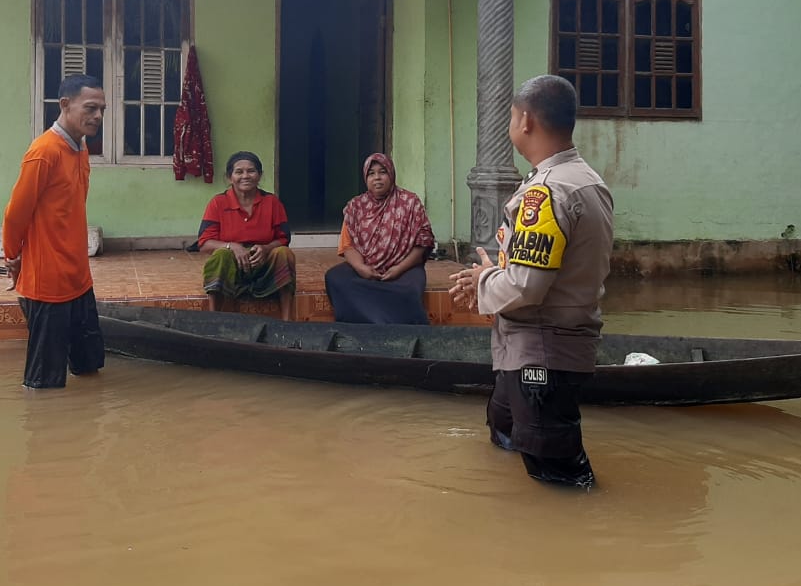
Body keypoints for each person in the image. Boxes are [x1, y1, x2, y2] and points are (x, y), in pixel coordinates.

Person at [449, 75, 614, 490]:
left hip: (542, 350)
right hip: (531, 346)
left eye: (509, 116)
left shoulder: (547, 192)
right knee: (503, 428)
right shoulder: (585, 179)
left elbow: (525, 289)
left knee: (560, 476)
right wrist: (491, 277)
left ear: (524, 121)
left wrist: (484, 279)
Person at [2, 74, 107, 389]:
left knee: (89, 367)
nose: (98, 116)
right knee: (44, 384)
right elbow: (15, 214)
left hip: (79, 277)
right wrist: (12, 257)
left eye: (102, 109)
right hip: (48, 284)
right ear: (65, 104)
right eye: (90, 108)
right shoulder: (43, 152)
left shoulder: (80, 149)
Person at [324, 153, 435, 324]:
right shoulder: (355, 207)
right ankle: (376, 321)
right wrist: (361, 268)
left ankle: (388, 323)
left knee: (409, 289)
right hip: (367, 270)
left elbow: (423, 244)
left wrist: (398, 268)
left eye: (382, 172)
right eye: (371, 173)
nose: (377, 178)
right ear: (365, 177)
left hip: (403, 269)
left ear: (391, 174)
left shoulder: (410, 202)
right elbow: (348, 246)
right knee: (335, 278)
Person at [197, 151, 297, 320]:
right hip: (233, 269)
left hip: (263, 266)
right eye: (239, 172)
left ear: (259, 176)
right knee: (220, 255)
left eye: (251, 171)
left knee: (284, 254)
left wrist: (266, 248)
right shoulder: (218, 203)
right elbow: (204, 243)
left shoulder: (272, 202)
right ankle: (213, 319)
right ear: (230, 177)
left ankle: (287, 321)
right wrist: (232, 246)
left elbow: (284, 238)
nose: (245, 176)